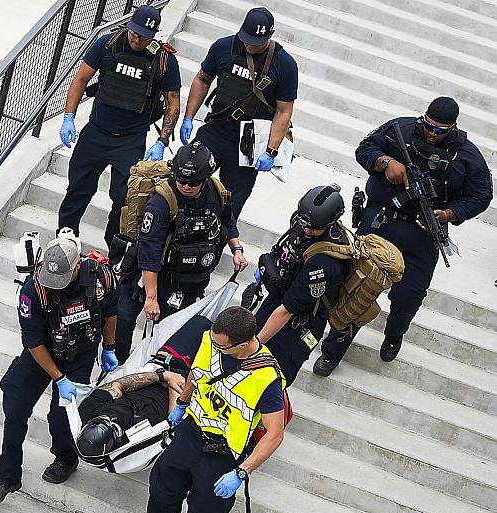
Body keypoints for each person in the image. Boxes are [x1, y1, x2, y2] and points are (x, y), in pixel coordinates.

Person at [313, 97, 493, 374]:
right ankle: (333, 350)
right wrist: (385, 163)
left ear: (453, 128)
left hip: (423, 232)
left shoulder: (467, 157)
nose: (432, 134)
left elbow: (481, 196)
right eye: (429, 126)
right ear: (423, 119)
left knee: (409, 295)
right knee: (356, 287)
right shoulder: (402, 129)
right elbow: (365, 148)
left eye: (440, 130)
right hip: (381, 221)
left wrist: (448, 214)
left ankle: (395, 334)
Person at [123, 306, 286, 513]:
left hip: (222, 454)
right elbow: (198, 375)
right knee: (161, 499)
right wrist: (182, 404)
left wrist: (241, 471)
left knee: (204, 512)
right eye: (215, 340)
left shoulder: (268, 378)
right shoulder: (210, 340)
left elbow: (274, 435)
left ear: (244, 343)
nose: (216, 346)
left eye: (223, 345)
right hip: (191, 433)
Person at [0, 237, 119, 505]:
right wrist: (59, 378)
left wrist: (109, 347)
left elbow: (111, 313)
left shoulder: (101, 277)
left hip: (80, 353)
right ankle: (7, 477)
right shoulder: (34, 290)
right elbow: (33, 342)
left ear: (78, 265)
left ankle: (66, 458)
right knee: (16, 406)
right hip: (43, 352)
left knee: (61, 416)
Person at [58, 4, 182, 248]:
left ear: (154, 34)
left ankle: (114, 248)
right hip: (96, 132)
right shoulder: (107, 44)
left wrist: (162, 141)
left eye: (144, 36)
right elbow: (81, 79)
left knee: (124, 199)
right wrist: (68, 117)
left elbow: (173, 103)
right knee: (77, 190)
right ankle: (65, 239)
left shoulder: (164, 60)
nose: (137, 39)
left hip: (130, 140)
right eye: (134, 32)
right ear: (129, 26)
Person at [116, 142, 247, 363]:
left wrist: (237, 249)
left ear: (205, 179)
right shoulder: (161, 203)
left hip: (185, 278)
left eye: (193, 182)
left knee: (170, 331)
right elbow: (149, 253)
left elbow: (228, 221)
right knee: (125, 318)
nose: (186, 186)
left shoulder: (217, 194)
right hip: (148, 275)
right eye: (181, 180)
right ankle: (118, 363)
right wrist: (151, 297)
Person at [178, 7, 298, 221]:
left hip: (248, 144)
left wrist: (270, 151)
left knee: (229, 208)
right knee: (185, 178)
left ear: (270, 36)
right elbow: (203, 78)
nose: (250, 45)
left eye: (256, 41)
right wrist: (188, 117)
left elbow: (284, 110)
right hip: (215, 130)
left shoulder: (285, 65)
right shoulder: (224, 47)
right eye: (247, 39)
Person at [77, 315, 213, 457]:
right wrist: (176, 387)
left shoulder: (88, 411)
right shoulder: (130, 444)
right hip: (181, 394)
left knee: (201, 323)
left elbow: (118, 385)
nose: (111, 419)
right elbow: (171, 425)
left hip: (162, 369)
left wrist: (163, 376)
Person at [253, 185, 348, 386]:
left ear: (330, 223)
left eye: (313, 228)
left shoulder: (325, 262)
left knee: (273, 379)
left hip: (301, 322)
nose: (306, 230)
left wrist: (256, 344)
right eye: (303, 223)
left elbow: (287, 311)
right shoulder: (306, 222)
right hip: (279, 299)